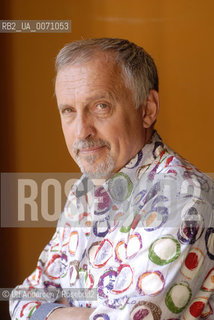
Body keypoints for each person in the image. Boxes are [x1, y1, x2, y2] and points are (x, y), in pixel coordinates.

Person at [10, 38, 214, 320]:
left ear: (147, 109)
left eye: (100, 106)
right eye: (68, 111)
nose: (81, 131)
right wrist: (77, 315)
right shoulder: (85, 189)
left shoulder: (184, 198)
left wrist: (51, 313)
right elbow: (22, 299)